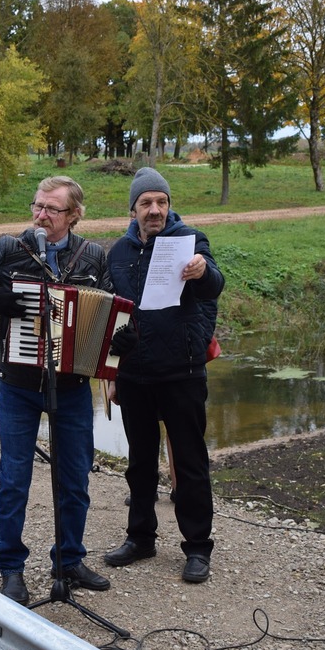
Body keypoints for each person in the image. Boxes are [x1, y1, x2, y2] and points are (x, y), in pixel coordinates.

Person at [0, 175, 116, 606]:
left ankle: (69, 560)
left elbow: (111, 310)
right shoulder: (10, 249)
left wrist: (120, 341)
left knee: (76, 477)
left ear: (74, 215)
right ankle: (11, 569)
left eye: (52, 209)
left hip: (73, 384)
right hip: (20, 385)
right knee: (14, 479)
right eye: (37, 206)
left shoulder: (93, 256)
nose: (41, 216)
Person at [103, 167, 224, 584]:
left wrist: (202, 272)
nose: (155, 210)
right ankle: (140, 537)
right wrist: (114, 361)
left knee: (190, 463)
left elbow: (213, 289)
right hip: (136, 374)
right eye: (146, 203)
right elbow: (110, 310)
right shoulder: (117, 252)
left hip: (182, 372)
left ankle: (197, 548)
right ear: (133, 209)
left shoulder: (190, 242)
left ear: (169, 206)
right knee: (138, 463)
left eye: (162, 202)